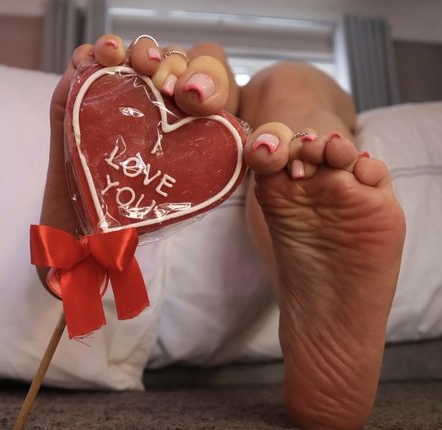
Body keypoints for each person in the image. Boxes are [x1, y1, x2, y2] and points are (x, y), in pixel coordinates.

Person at [37, 33, 405, 429]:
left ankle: (173, 107)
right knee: (276, 102)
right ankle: (199, 97)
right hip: (255, 97)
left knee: (276, 105)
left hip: (256, 99)